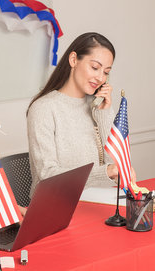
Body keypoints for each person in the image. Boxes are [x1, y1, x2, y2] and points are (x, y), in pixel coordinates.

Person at [26, 32, 136, 196]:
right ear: (73, 60)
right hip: (57, 205)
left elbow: (115, 167)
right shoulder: (44, 108)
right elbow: (46, 174)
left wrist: (104, 113)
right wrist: (104, 172)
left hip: (98, 201)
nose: (100, 77)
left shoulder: (98, 106)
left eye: (106, 72)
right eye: (95, 67)